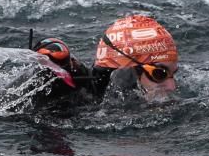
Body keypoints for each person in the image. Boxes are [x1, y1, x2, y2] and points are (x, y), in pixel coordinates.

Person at [31, 14, 179, 105]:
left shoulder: (114, 103)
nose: (172, 86)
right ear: (124, 69)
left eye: (173, 74)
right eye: (159, 74)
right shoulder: (62, 97)